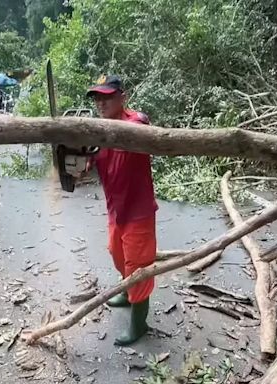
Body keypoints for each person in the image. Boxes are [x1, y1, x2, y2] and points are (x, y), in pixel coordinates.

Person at [86, 74, 158, 346]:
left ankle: (139, 325)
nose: (101, 103)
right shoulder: (97, 134)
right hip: (116, 211)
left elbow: (142, 122)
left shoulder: (135, 123)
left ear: (122, 97)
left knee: (138, 266)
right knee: (117, 254)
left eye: (106, 97)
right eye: (97, 98)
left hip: (139, 211)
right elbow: (88, 166)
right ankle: (128, 293)